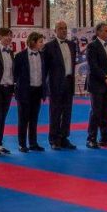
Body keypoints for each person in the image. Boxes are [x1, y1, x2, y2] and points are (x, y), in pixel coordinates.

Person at [43, 20, 77, 150]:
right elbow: (45, 68)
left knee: (67, 112)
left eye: (65, 28)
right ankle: (54, 139)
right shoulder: (49, 46)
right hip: (55, 83)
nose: (63, 30)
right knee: (55, 112)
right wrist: (45, 86)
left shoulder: (72, 45)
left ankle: (64, 137)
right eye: (61, 28)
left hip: (69, 82)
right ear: (55, 30)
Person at [85, 23, 107, 149]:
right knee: (96, 111)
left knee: (105, 112)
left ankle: (104, 138)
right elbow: (93, 66)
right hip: (97, 83)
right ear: (98, 32)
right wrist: (106, 78)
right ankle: (91, 138)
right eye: (106, 30)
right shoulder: (92, 46)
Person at [14, 32, 46, 152]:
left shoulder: (42, 55)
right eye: (40, 41)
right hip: (24, 91)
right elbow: (15, 74)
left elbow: (44, 73)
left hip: (38, 90)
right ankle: (22, 144)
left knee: (34, 119)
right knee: (23, 119)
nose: (42, 44)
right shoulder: (20, 56)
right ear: (33, 42)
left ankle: (33, 143)